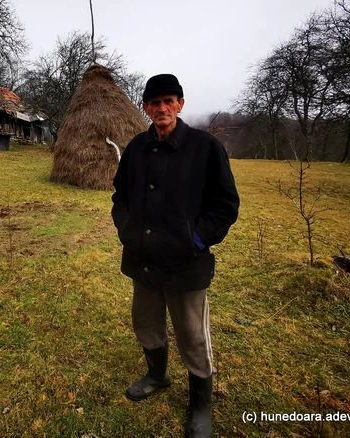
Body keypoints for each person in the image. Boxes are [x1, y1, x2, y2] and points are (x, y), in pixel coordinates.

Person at [111, 74, 240, 437]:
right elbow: (120, 196)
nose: (162, 108)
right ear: (145, 108)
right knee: (146, 324)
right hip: (143, 260)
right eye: (155, 102)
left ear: (181, 104)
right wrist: (126, 228)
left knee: (192, 335)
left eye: (169, 100)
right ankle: (157, 374)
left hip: (186, 263)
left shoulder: (204, 147)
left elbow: (225, 205)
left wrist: (195, 240)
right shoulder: (136, 148)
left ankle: (201, 404)